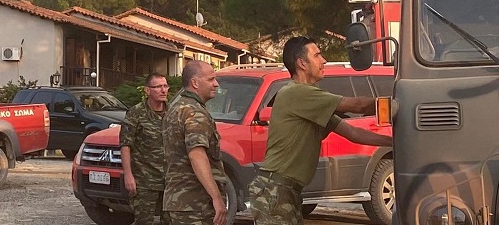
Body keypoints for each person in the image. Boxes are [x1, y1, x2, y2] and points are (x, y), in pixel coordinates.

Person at [249, 36, 392, 225]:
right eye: (317, 55)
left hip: (284, 190)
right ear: (302, 63)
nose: (323, 60)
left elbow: (354, 134)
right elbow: (358, 105)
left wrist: (394, 143)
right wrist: (399, 102)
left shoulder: (311, 105)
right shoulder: (297, 93)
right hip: (275, 189)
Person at [162, 61, 227, 225]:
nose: (216, 84)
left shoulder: (175, 108)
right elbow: (197, 155)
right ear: (195, 83)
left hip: (176, 201)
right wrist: (217, 198)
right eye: (211, 79)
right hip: (195, 204)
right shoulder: (194, 112)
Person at [120, 73, 170, 225]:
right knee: (143, 221)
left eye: (165, 86)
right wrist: (128, 175)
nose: (163, 90)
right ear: (147, 91)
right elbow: (125, 144)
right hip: (144, 180)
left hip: (170, 180)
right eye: (158, 87)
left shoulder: (173, 112)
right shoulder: (136, 113)